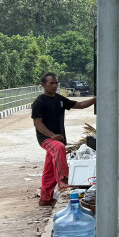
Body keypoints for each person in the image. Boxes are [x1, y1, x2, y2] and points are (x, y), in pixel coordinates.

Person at [31, 73, 96, 207]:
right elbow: (37, 123)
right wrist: (52, 135)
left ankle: (45, 198)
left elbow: (80, 104)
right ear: (43, 85)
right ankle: (63, 181)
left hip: (57, 138)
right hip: (46, 138)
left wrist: (96, 99)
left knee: (49, 169)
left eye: (56, 83)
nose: (55, 86)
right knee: (59, 148)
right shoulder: (39, 102)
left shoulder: (59, 99)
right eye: (51, 83)